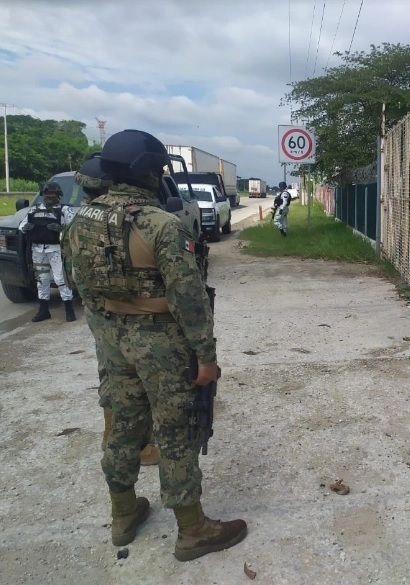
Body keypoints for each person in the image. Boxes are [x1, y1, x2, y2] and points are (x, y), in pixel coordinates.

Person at [62, 129, 246, 560]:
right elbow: (189, 299)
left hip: (112, 341)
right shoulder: (162, 225)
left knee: (124, 426)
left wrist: (108, 333)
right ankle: (193, 529)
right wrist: (206, 358)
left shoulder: (80, 221)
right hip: (163, 346)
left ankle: (123, 515)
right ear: (148, 172)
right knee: (176, 431)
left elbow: (77, 284)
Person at [72, 157, 160, 466]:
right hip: (118, 313)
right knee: (125, 380)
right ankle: (127, 443)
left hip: (98, 312)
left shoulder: (79, 222)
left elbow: (74, 277)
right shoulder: (116, 222)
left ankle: (115, 438)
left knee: (111, 371)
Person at [19, 181, 76, 322]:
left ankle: (69, 310)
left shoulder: (65, 209)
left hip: (56, 250)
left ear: (58, 195)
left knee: (61, 279)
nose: (49, 196)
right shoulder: (34, 210)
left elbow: (73, 229)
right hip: (37, 250)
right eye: (47, 193)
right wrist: (25, 227)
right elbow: (21, 225)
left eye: (52, 193)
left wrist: (60, 229)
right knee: (42, 280)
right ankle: (43, 311)